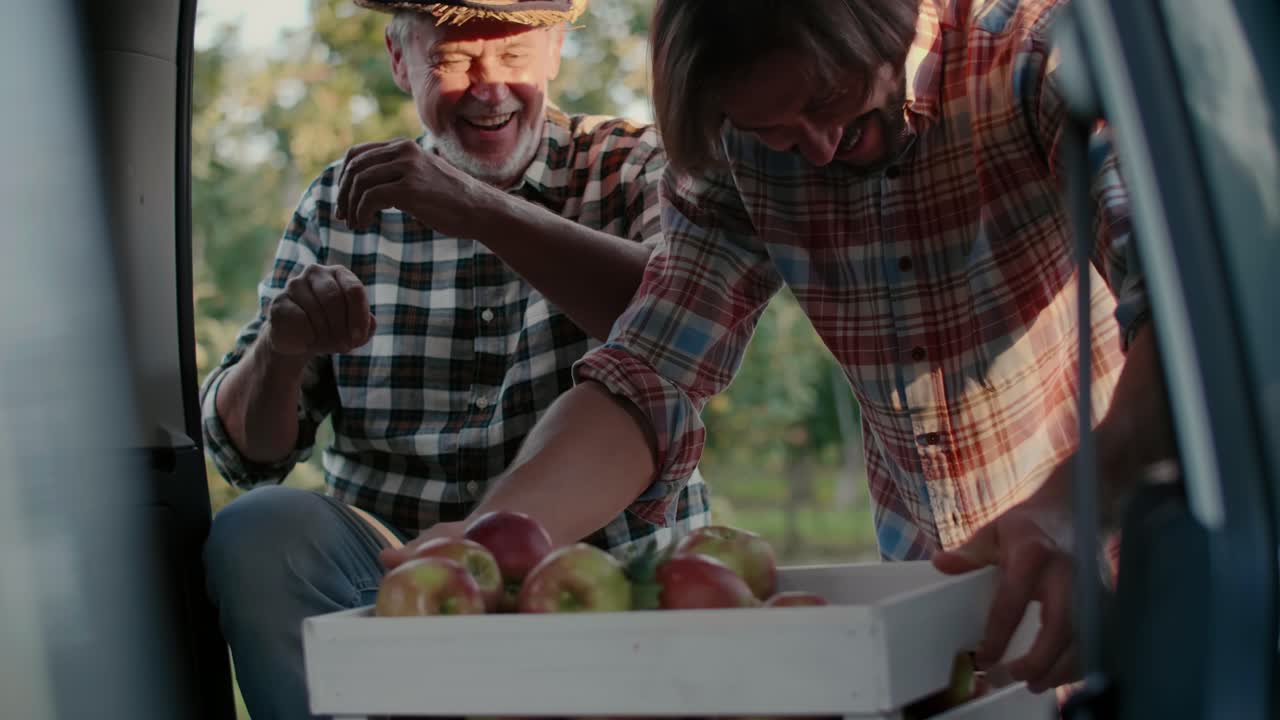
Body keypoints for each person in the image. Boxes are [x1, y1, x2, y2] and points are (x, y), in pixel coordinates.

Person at [429, 0, 1175, 699]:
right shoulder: (734, 146)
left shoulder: (1039, 55)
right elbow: (650, 370)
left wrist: (1077, 505)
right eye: (775, 133)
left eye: (828, 103)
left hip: (1139, 561)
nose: (814, 153)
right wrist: (488, 543)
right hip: (934, 610)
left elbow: (1190, 325)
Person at [200, 1, 709, 717]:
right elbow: (242, 456)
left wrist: (475, 206)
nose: (488, 86)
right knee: (259, 529)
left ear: (557, 47)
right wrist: (279, 354)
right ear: (400, 59)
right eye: (453, 60)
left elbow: (686, 323)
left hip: (594, 575)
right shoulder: (340, 201)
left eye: (512, 56)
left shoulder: (632, 165)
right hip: (393, 583)